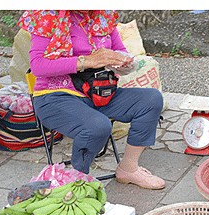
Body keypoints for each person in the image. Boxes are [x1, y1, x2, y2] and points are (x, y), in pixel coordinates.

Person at [17, 10, 165, 190]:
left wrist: (124, 63)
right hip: (55, 96)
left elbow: (121, 52)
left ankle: (128, 168)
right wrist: (87, 61)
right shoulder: (47, 15)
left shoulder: (103, 16)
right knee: (98, 126)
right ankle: (77, 181)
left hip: (97, 93)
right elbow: (38, 65)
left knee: (151, 99)